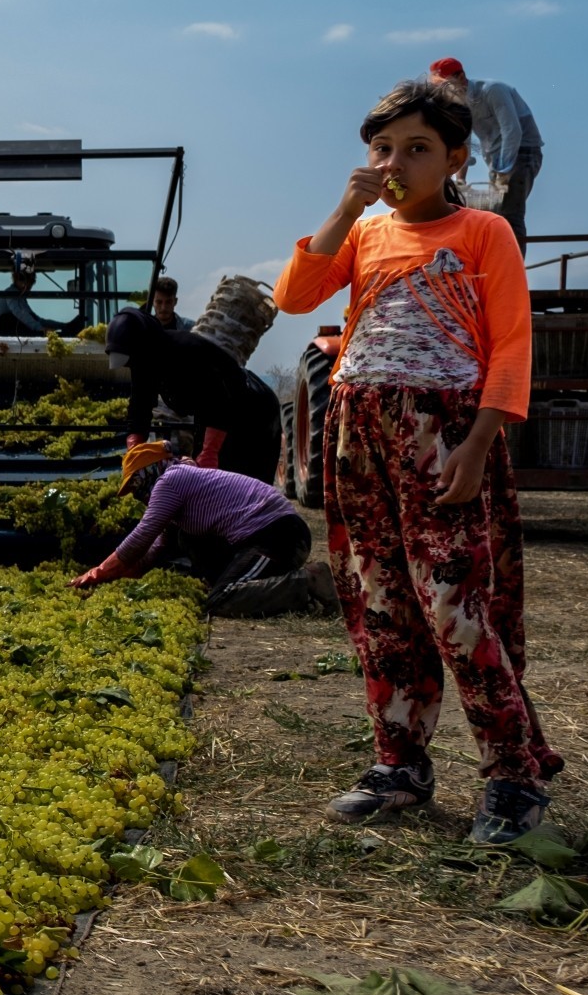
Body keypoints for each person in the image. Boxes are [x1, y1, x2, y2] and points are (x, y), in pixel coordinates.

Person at [273, 76, 562, 845]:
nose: (396, 161)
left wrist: (479, 443)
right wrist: (344, 208)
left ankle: (513, 777)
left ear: (457, 158)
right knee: (381, 604)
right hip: (357, 431)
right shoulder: (365, 237)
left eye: (417, 148)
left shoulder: (482, 234)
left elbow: (511, 347)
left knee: (456, 611)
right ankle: (399, 763)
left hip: (445, 434)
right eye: (383, 147)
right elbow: (295, 299)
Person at [69, 441, 328, 614]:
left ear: (148, 472)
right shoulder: (181, 485)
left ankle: (307, 581)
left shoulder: (171, 480)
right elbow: (151, 551)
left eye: (136, 486)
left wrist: (97, 572)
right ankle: (249, 581)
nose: (137, 495)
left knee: (221, 599)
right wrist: (114, 576)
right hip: (264, 536)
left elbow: (142, 535)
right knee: (185, 537)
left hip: (278, 535)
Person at [102, 308, 282, 484]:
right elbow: (139, 406)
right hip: (216, 417)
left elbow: (218, 401)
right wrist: (135, 445)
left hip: (253, 410)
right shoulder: (143, 363)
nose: (132, 366)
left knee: (242, 486)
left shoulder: (186, 351)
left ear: (143, 346)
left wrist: (210, 451)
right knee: (205, 481)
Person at [429, 58, 542, 246]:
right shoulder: (460, 104)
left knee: (509, 214)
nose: (443, 91)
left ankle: (512, 272)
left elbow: (512, 130)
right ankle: (496, 265)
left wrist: (504, 170)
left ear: (461, 76)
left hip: (523, 153)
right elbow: (464, 142)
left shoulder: (492, 90)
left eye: (446, 84)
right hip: (497, 161)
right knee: (496, 214)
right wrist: (460, 180)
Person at [0, 253, 66, 337]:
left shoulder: (22, 300)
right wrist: (40, 329)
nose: (26, 285)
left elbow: (36, 319)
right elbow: (21, 314)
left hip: (14, 335)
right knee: (7, 319)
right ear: (16, 278)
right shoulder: (11, 294)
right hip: (0, 336)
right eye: (23, 279)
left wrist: (62, 326)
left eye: (30, 281)